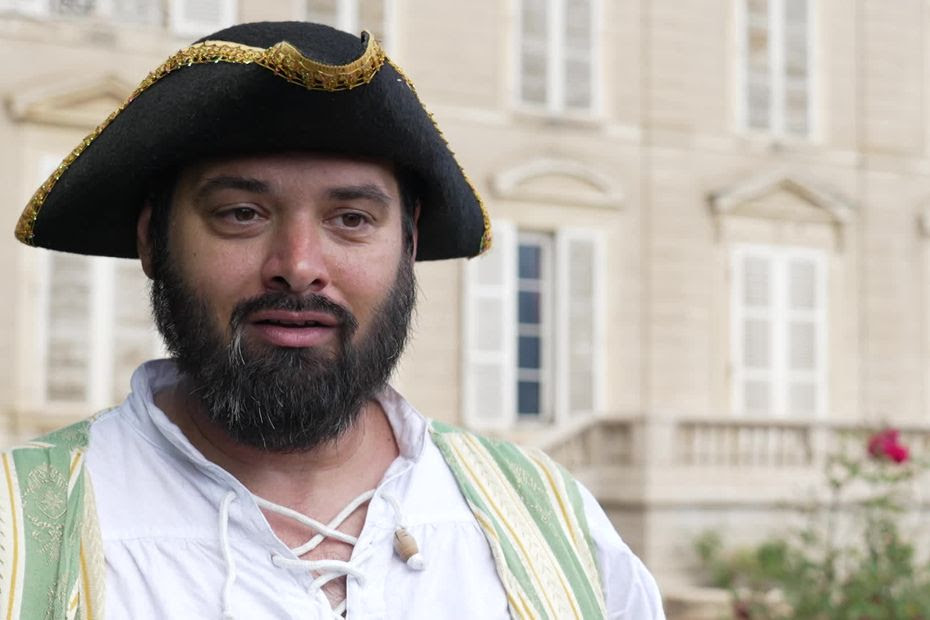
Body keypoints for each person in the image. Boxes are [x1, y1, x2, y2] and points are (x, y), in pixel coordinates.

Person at [2, 21, 665, 620]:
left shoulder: (554, 522)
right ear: (154, 241)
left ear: (407, 248)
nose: (298, 265)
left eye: (351, 219)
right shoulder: (17, 533)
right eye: (241, 213)